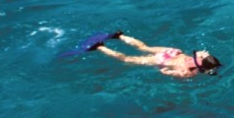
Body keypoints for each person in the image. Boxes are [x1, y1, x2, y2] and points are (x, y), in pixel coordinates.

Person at [89, 31, 222, 78]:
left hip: (172, 52)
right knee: (126, 59)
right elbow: (166, 72)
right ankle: (100, 47)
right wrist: (163, 71)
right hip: (163, 60)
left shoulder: (201, 55)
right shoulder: (189, 72)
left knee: (144, 47)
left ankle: (120, 36)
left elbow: (200, 52)